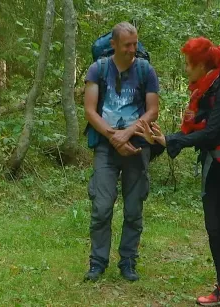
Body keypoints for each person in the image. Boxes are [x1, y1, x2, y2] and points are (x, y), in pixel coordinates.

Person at [135, 37, 220, 306]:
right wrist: (166, 137)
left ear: (202, 65)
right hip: (214, 164)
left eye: (189, 64)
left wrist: (171, 140)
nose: (186, 69)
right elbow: (201, 127)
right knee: (214, 228)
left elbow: (212, 133)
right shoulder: (206, 90)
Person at [82, 21, 160, 282]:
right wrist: (114, 137)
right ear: (113, 44)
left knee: (134, 208)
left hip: (138, 145)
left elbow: (152, 110)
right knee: (102, 207)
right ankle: (97, 262)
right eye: (127, 45)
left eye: (135, 44)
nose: (132, 49)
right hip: (106, 146)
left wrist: (128, 133)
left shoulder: (146, 70)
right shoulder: (98, 69)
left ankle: (128, 262)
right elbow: (90, 110)